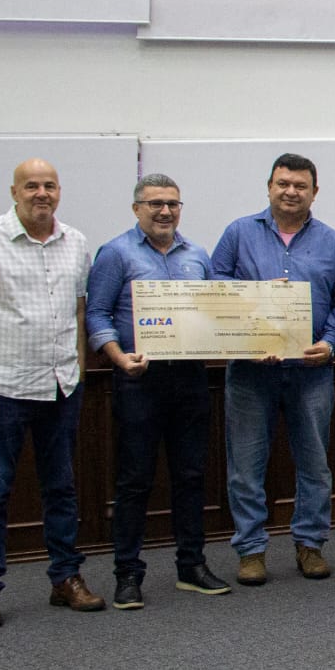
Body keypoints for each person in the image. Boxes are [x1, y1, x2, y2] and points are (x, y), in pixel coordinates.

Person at [0, 158, 102, 628]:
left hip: (61, 387)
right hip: (5, 389)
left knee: (61, 488)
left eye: (50, 186)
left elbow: (79, 312)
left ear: (59, 191)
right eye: (32, 186)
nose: (42, 193)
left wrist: (79, 370)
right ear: (14, 192)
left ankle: (65, 578)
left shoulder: (76, 242)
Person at [211, 153, 335, 586]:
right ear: (269, 187)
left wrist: (330, 343)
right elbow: (214, 285)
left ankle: (310, 544)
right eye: (283, 183)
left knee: (315, 465)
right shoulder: (238, 233)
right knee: (245, 466)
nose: (291, 192)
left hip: (310, 372)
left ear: (314, 192)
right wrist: (256, 294)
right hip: (250, 372)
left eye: (300, 185)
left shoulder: (332, 242)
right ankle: (251, 550)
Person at [85, 173, 230, 610]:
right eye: (155, 204)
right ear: (137, 209)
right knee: (135, 480)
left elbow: (219, 311)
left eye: (173, 204)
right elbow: (97, 313)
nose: (165, 211)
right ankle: (128, 574)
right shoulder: (116, 253)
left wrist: (265, 313)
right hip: (139, 380)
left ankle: (191, 566)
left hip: (190, 379)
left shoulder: (197, 255)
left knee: (191, 476)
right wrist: (118, 357)